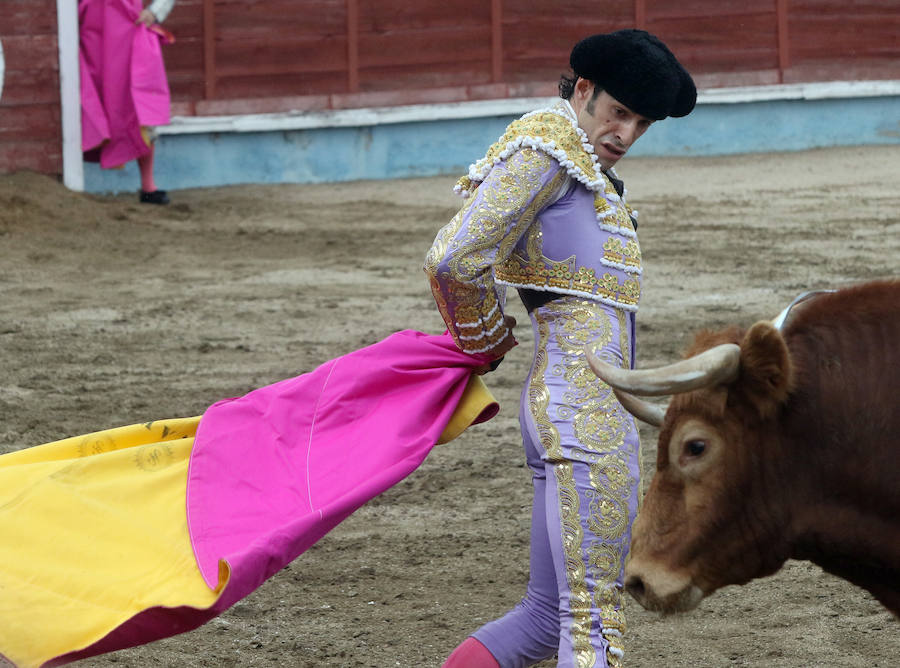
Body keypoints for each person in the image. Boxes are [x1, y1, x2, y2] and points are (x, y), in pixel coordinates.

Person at [425, 29, 697, 668]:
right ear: (583, 90)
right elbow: (455, 258)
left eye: (641, 123)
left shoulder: (577, 164)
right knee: (593, 621)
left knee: (549, 618)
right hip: (586, 417)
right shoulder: (551, 149)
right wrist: (485, 340)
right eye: (617, 112)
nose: (625, 134)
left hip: (574, 407)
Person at [79, 0, 176, 204]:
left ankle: (148, 186)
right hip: (91, 36)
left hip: (128, 34)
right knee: (91, 100)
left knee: (139, 108)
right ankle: (72, 181)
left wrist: (155, 12)